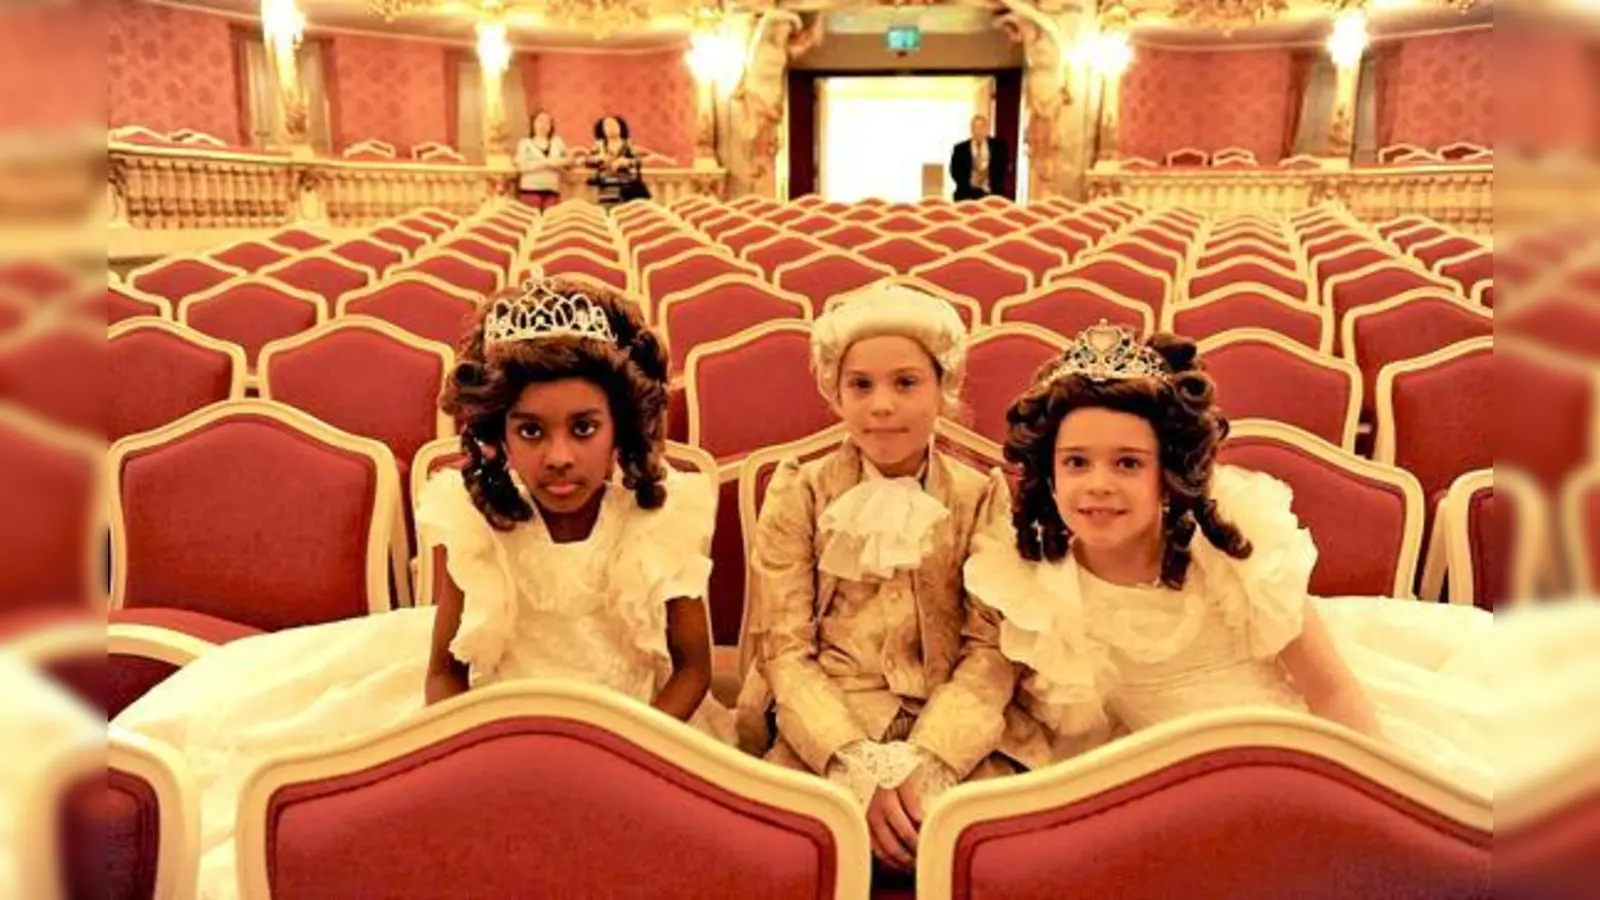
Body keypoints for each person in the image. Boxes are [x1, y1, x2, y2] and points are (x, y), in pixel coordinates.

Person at [113, 275, 728, 897]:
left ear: (618, 427)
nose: (560, 456)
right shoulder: (483, 520)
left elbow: (693, 670)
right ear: (499, 434)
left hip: (635, 725)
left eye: (584, 428)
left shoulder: (657, 518)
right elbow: (444, 671)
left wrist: (630, 755)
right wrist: (464, 756)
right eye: (532, 432)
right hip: (491, 720)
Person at [964, 321, 1498, 791]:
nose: (1098, 485)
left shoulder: (1232, 551)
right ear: (1051, 474)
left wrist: (1374, 797)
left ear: (1168, 476)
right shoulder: (1033, 581)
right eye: (1077, 463)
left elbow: (1333, 692)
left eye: (1128, 464)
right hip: (1159, 774)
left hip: (1299, 744)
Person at [735, 282, 1050, 875]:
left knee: (984, 854)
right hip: (826, 725)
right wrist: (851, 761)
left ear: (943, 390)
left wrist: (930, 760)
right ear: (836, 391)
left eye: (906, 383)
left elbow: (990, 649)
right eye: (861, 385)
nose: (882, 405)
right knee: (787, 857)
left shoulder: (981, 495)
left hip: (950, 720)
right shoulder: (800, 489)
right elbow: (783, 646)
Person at [585, 115, 649, 206]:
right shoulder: (599, 145)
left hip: (626, 186)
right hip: (606, 186)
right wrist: (599, 158)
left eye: (614, 125)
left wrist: (627, 162)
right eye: (607, 125)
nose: (611, 128)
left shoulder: (628, 144)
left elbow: (638, 161)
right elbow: (588, 161)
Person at [514, 110, 567, 210]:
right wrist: (547, 163)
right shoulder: (525, 143)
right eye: (540, 121)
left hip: (552, 191)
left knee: (551, 222)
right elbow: (522, 166)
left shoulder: (557, 143)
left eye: (547, 122)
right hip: (530, 190)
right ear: (533, 123)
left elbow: (567, 161)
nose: (543, 125)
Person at [950, 114, 1008, 201]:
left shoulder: (999, 147)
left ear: (987, 129)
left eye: (982, 128)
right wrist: (969, 182)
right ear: (971, 129)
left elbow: (1003, 168)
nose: (979, 131)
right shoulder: (960, 148)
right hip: (966, 195)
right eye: (976, 128)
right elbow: (954, 171)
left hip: (992, 194)